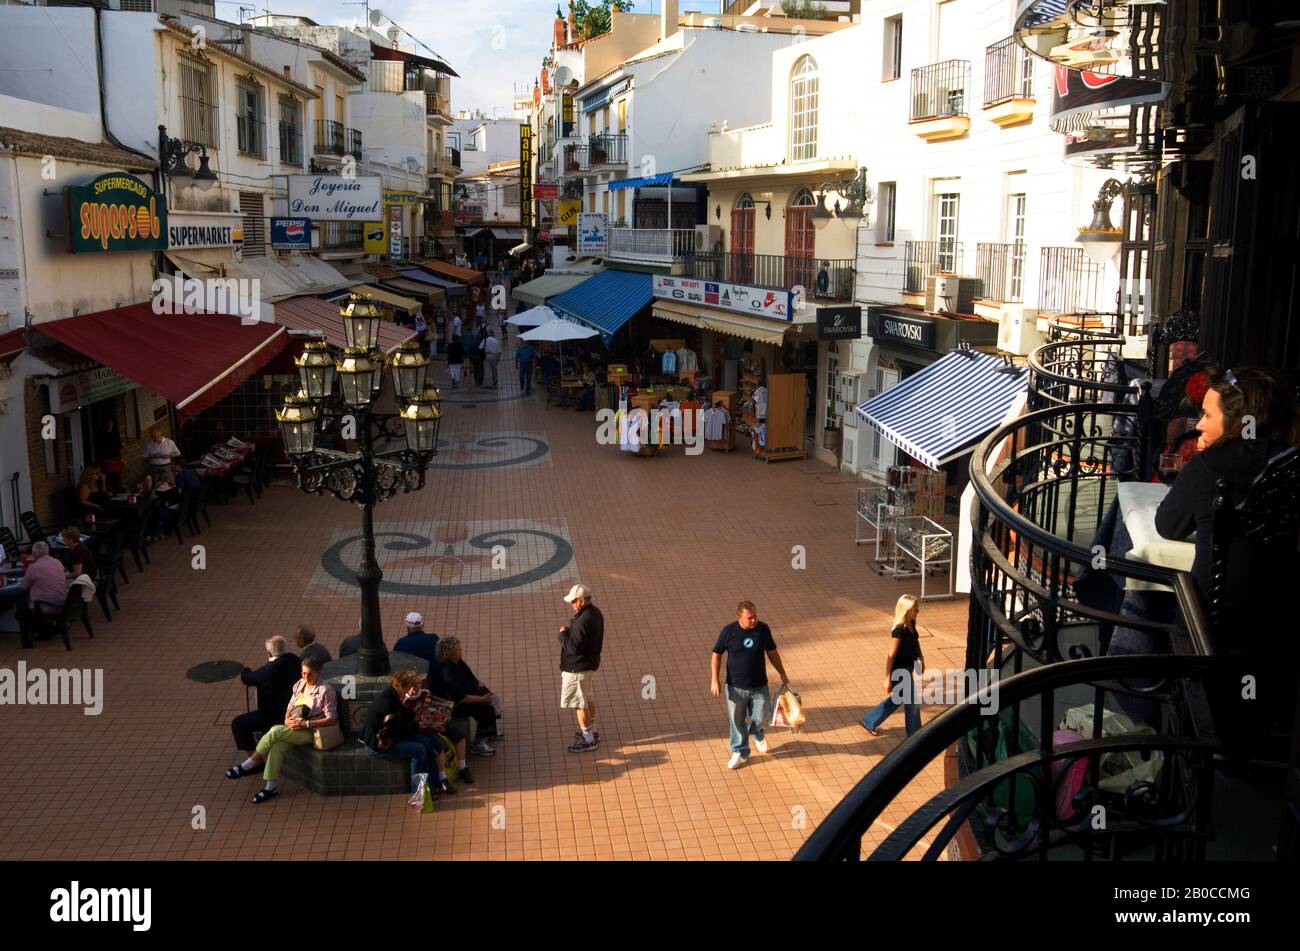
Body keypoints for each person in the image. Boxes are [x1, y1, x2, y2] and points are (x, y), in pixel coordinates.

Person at [1154, 366, 1300, 743]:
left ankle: (1156, 722)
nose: (1199, 426)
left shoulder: (1208, 466)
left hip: (1213, 622)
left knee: (1149, 601)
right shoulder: (1290, 464)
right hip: (1281, 622)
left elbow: (1168, 526)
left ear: (1237, 422)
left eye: (1207, 415)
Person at [225, 654, 338, 803]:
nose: (305, 677)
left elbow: (332, 719)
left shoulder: (325, 691)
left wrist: (306, 724)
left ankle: (250, 763)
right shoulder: (299, 685)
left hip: (311, 731)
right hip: (294, 727)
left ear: (318, 672)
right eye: (303, 673)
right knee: (276, 746)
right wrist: (287, 719)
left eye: (309, 674)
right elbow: (290, 706)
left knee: (275, 731)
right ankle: (270, 787)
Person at [710, 600, 791, 769]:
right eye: (749, 618)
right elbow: (716, 653)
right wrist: (714, 679)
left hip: (759, 686)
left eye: (755, 617)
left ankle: (758, 733)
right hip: (735, 687)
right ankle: (740, 751)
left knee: (762, 718)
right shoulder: (728, 631)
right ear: (739, 617)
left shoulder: (763, 630)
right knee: (736, 720)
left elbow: (772, 653)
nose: (754, 620)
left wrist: (782, 673)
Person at [362, 668, 456, 797]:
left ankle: (433, 782)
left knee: (426, 742)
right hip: (380, 744)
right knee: (418, 750)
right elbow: (395, 731)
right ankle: (419, 793)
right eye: (406, 688)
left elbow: (405, 714)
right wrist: (417, 725)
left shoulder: (392, 695)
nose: (407, 692)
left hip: (390, 736)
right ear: (400, 685)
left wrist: (419, 718)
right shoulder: (388, 703)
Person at [861, 594, 924, 739]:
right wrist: (887, 679)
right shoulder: (898, 631)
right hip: (900, 672)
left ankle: (870, 720)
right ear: (906, 610)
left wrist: (921, 658)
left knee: (899, 699)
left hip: (909, 668)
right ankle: (915, 734)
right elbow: (891, 656)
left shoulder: (912, 624)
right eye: (915, 609)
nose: (917, 611)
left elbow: (915, 644)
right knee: (912, 702)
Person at [427, 636, 499, 756]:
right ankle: (478, 744)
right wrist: (482, 698)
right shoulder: (448, 672)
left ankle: (490, 732)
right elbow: (463, 698)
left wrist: (479, 686)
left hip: (466, 693)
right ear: (449, 653)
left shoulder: (457, 661)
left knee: (492, 697)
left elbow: (469, 675)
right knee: (486, 709)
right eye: (458, 649)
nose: (461, 650)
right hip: (455, 705)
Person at [231, 636, 302, 752]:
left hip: (274, 716)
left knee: (238, 724)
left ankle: (255, 759)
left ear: (269, 653)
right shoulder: (295, 660)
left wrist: (245, 670)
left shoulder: (269, 670)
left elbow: (248, 678)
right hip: (295, 710)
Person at [559, 584, 604, 753]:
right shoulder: (595, 613)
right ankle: (592, 731)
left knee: (579, 704)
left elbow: (572, 647)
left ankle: (589, 740)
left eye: (573, 601)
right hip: (588, 666)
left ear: (582, 600)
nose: (571, 604)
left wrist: (563, 634)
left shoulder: (585, 619)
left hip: (577, 670)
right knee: (587, 698)